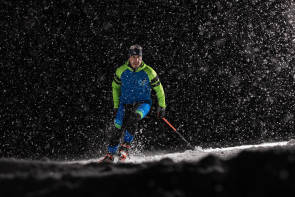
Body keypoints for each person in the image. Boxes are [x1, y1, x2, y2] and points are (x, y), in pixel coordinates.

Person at [101, 44, 166, 162]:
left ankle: (125, 148)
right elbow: (115, 87)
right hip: (124, 103)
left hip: (143, 103)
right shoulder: (121, 71)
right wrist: (116, 105)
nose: (136, 60)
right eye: (133, 57)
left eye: (138, 57)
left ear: (141, 58)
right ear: (129, 57)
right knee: (118, 127)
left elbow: (159, 89)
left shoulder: (149, 72)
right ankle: (110, 155)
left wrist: (162, 106)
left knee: (134, 117)